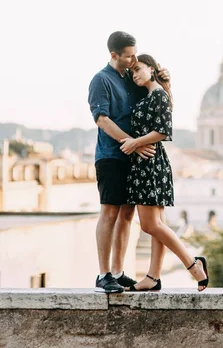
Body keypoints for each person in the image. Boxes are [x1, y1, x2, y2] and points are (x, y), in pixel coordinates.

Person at [120, 54, 209, 292]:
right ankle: (153, 276)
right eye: (133, 72)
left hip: (150, 164)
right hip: (147, 163)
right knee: (157, 224)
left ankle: (193, 264)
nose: (135, 74)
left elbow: (163, 130)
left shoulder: (157, 94)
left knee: (150, 225)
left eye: (138, 69)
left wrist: (135, 143)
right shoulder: (152, 93)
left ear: (152, 68)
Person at [88, 31, 169, 293]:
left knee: (126, 214)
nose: (134, 59)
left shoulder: (130, 78)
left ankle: (119, 272)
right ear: (114, 55)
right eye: (129, 55)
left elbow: (153, 96)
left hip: (131, 158)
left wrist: (161, 76)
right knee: (109, 213)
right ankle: (103, 275)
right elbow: (102, 119)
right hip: (111, 155)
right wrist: (132, 143)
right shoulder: (101, 80)